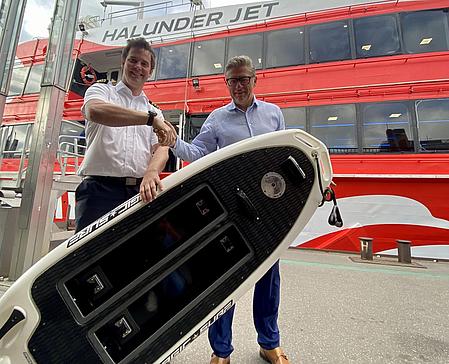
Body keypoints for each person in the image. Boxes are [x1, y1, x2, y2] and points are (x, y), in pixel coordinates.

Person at [166, 55, 290, 364]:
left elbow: (285, 159)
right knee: (224, 279)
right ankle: (221, 351)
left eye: (243, 79)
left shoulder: (274, 114)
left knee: (268, 279)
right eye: (232, 80)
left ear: (254, 80)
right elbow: (197, 153)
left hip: (269, 207)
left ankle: (269, 343)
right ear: (227, 83)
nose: (238, 86)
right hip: (230, 207)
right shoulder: (217, 119)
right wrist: (173, 142)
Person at [75, 37, 176, 232]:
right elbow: (95, 111)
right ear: (123, 63)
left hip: (138, 191)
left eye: (144, 64)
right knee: (88, 257)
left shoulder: (154, 110)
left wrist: (152, 171)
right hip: (98, 191)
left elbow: (162, 148)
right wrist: (150, 119)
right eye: (133, 60)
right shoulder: (101, 91)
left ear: (150, 72)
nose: (138, 66)